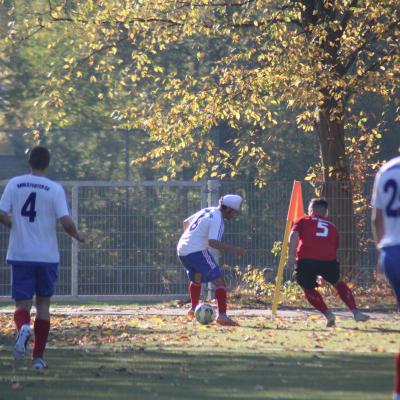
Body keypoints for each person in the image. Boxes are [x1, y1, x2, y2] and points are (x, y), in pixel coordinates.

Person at [0, 146, 84, 369]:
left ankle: (23, 328)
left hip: (20, 253)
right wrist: (77, 234)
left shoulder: (15, 183)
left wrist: (12, 225)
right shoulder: (53, 188)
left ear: (29, 162)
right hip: (46, 256)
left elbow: (1, 211)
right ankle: (38, 358)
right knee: (44, 305)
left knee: (22, 304)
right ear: (47, 164)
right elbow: (65, 221)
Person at [286, 197, 369, 327]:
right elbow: (334, 247)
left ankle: (328, 314)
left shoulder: (303, 219)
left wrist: (291, 256)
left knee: (307, 288)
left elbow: (293, 235)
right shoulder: (332, 226)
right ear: (326, 212)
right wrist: (325, 268)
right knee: (338, 283)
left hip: (306, 259)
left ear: (311, 209)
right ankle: (356, 312)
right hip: (328, 261)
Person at [177, 194, 245, 326]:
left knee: (196, 277)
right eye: (234, 212)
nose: (234, 215)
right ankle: (223, 316)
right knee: (220, 282)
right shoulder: (218, 219)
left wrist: (191, 240)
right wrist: (234, 249)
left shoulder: (207, 210)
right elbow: (213, 242)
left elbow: (186, 222)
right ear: (229, 209)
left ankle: (193, 309)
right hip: (196, 251)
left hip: (182, 249)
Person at [371, 155, 400, 400]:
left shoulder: (387, 168)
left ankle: (397, 392)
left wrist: (382, 251)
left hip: (391, 252)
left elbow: (376, 218)